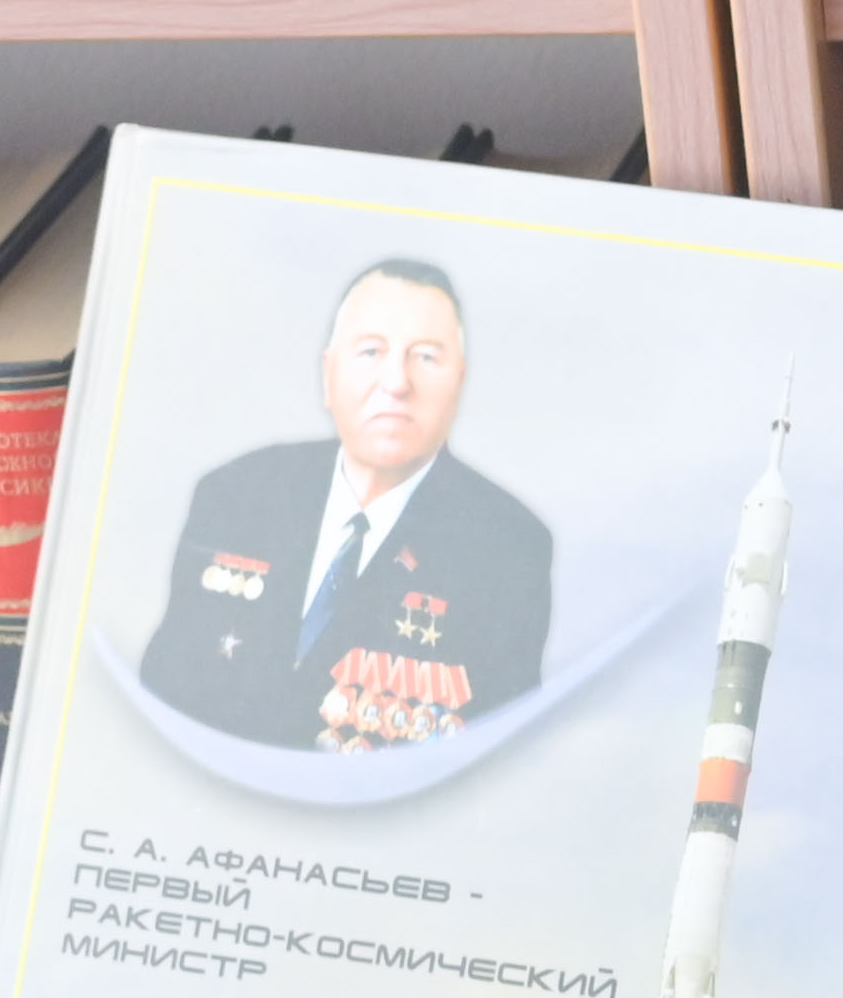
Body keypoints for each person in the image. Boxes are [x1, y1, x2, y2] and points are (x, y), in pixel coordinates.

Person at [145, 254, 553, 748]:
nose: (396, 382)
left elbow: (497, 759)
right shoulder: (236, 495)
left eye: (426, 357)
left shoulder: (508, 549)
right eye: (371, 351)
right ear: (329, 373)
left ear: (459, 382)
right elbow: (161, 695)